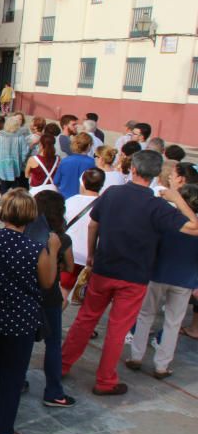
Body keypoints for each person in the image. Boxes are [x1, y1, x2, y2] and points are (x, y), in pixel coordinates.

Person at [62, 151, 198, 395]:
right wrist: (178, 198)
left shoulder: (112, 194)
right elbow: (194, 226)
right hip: (134, 277)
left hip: (105, 267)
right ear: (156, 175)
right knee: (117, 329)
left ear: (133, 169)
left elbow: (94, 224)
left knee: (86, 319)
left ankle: (62, 365)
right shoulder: (157, 205)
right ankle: (105, 380)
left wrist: (92, 254)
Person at [0, 190, 60, 434]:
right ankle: (4, 428)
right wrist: (53, 250)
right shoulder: (35, 249)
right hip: (20, 321)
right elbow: (47, 281)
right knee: (12, 375)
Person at [126, 184, 198, 378]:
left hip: (157, 274)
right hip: (185, 278)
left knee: (145, 315)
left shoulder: (168, 221)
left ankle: (136, 356)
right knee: (173, 323)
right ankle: (162, 365)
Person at [28, 190, 76, 407]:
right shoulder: (61, 238)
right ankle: (54, 391)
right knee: (53, 343)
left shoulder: (26, 231)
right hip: (50, 296)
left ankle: (18, 380)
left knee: (24, 342)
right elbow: (69, 266)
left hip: (28, 292)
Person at [60, 168, 104, 293]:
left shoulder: (70, 202)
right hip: (94, 257)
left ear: (82, 182)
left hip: (71, 253)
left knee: (64, 290)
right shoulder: (105, 203)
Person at [0, 115, 30, 193]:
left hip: (2, 164)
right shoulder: (20, 137)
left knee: (3, 185)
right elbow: (25, 151)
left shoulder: (1, 136)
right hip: (15, 164)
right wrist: (21, 160)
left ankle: (4, 202)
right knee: (16, 186)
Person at [54, 133, 96, 199]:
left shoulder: (65, 161)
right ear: (89, 146)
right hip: (82, 199)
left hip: (65, 199)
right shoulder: (92, 163)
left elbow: (56, 181)